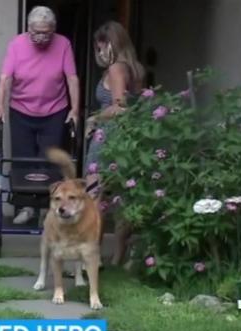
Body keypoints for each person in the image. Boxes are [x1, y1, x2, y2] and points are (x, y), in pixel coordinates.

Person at [0, 6, 80, 225]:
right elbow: (4, 78)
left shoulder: (63, 45)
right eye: (36, 33)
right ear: (28, 29)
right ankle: (25, 207)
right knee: (23, 160)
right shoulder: (17, 44)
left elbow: (72, 78)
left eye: (46, 33)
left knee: (49, 161)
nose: (41, 37)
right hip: (21, 109)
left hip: (54, 110)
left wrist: (75, 109)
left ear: (54, 29)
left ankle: (46, 210)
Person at [84, 20, 145, 266]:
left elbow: (121, 107)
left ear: (113, 44)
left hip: (108, 138)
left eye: (102, 47)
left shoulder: (116, 70)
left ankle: (92, 257)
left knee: (93, 198)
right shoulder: (135, 69)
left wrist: (94, 117)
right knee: (123, 200)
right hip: (128, 140)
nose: (100, 53)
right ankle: (119, 255)